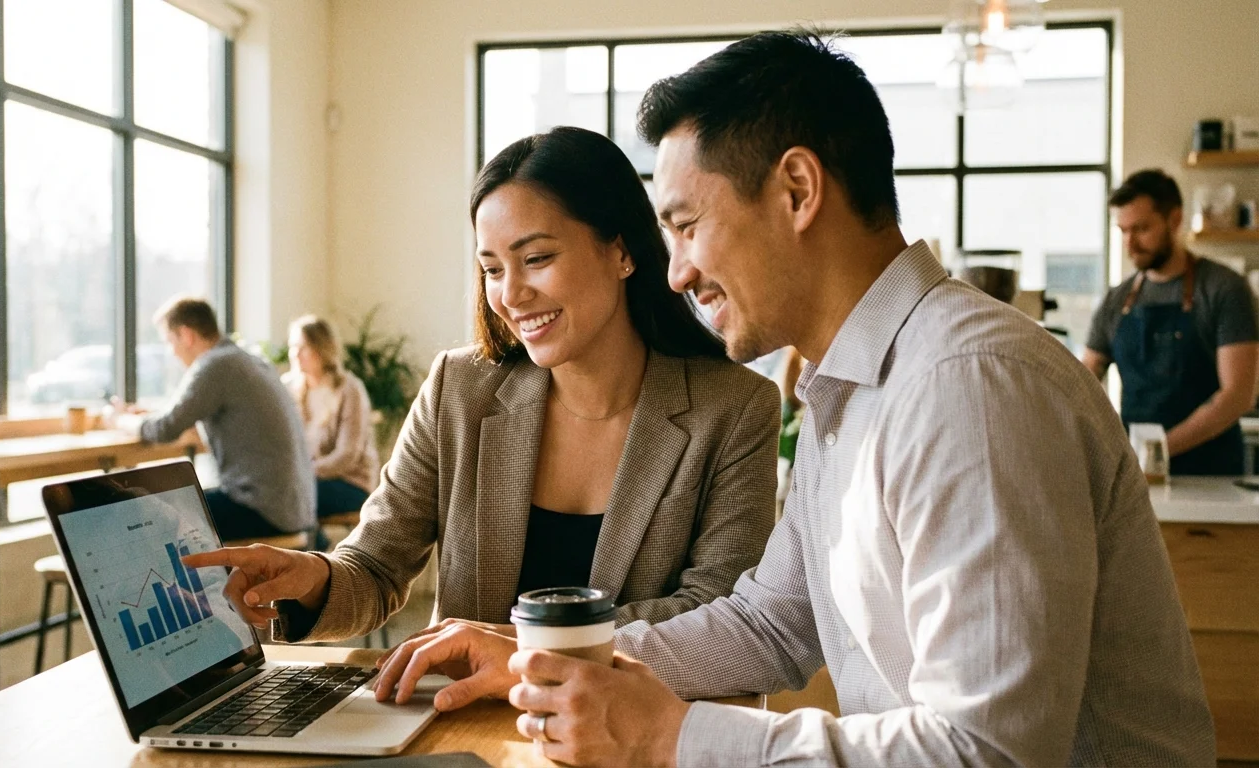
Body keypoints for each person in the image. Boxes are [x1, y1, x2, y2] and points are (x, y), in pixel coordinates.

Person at [365, 31, 1214, 767]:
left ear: (798, 190)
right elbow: (772, 622)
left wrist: (672, 739)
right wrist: (530, 658)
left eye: (688, 226)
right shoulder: (849, 387)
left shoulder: (967, 386)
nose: (677, 272)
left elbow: (987, 750)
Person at [183, 126, 779, 644]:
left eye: (537, 258)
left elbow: (715, 612)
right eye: (493, 269)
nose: (511, 295)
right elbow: (376, 565)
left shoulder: (733, 409)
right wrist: (314, 580)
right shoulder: (459, 389)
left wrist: (513, 646)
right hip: (465, 731)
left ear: (620, 251)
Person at [1083, 169, 1259, 475]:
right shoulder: (1117, 300)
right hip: (1136, 476)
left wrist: (1156, 450)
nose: (1130, 243)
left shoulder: (1224, 289)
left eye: (1141, 229)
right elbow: (1082, 380)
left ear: (1174, 220)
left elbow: (1239, 396)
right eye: (1123, 231)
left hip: (1211, 477)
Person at [124, 297, 315, 541]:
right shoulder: (244, 360)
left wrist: (119, 421)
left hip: (262, 511)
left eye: (169, 342)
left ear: (186, 335)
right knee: (170, 507)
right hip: (292, 509)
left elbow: (165, 428)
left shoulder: (215, 365)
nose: (171, 352)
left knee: (146, 516)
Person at [282, 314, 380, 550]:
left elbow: (347, 455)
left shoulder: (349, 389)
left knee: (294, 495)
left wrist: (304, 473)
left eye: (303, 347)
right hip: (306, 480)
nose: (295, 354)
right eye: (292, 347)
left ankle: (309, 555)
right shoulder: (289, 388)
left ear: (321, 348)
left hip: (350, 482)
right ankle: (309, 549)